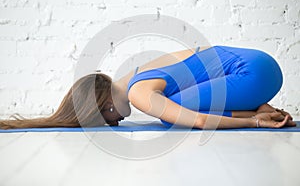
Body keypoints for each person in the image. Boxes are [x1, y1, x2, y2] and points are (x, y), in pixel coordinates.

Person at [0, 46, 296, 130]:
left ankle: (261, 110)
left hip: (251, 73)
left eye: (105, 120)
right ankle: (261, 105)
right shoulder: (136, 73)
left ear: (104, 105)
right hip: (258, 64)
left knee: (171, 116)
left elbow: (202, 120)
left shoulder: (137, 92)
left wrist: (254, 122)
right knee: (176, 105)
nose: (117, 121)